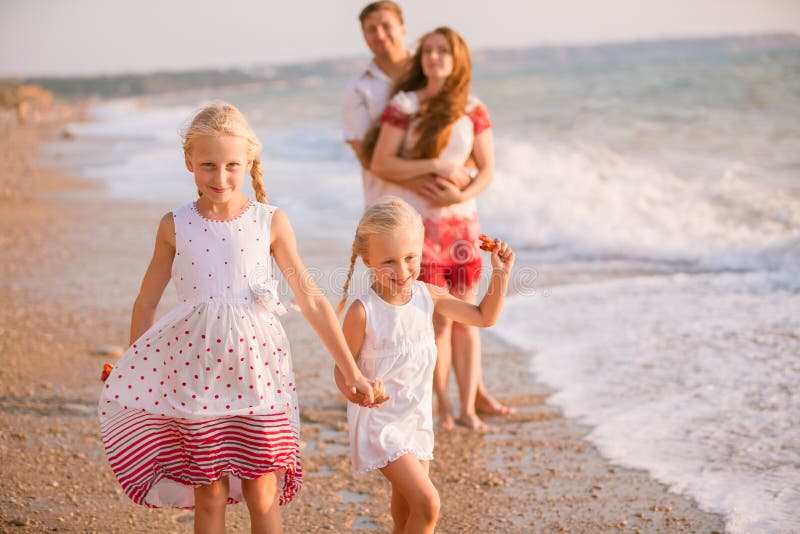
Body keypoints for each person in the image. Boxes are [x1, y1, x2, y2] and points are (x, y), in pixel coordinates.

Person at [98, 102, 378, 533]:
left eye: (232, 165)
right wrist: (138, 365)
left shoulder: (270, 221)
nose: (221, 177)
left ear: (249, 162)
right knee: (208, 492)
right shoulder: (174, 225)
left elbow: (313, 301)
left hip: (258, 372)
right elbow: (145, 302)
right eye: (208, 165)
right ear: (188, 161)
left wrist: (350, 367)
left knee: (261, 490)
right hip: (195, 373)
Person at [333, 197, 515, 533]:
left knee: (405, 510)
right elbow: (342, 367)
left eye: (410, 258)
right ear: (368, 260)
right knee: (428, 504)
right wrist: (356, 390)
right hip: (379, 420)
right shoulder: (363, 311)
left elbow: (483, 317)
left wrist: (500, 275)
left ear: (421, 251)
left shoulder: (427, 296)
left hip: (416, 418)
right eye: (389, 261)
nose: (402, 271)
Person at [363, 26, 511, 431]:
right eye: (427, 50)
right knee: (438, 319)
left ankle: (468, 409)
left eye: (443, 51)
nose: (434, 57)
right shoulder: (406, 104)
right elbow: (381, 162)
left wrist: (458, 196)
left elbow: (487, 171)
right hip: (421, 228)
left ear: (457, 57)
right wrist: (436, 167)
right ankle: (442, 407)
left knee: (468, 316)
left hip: (463, 226)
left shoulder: (473, 108)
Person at [342, 1, 410, 206]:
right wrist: (427, 180)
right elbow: (366, 156)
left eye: (386, 26)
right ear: (364, 37)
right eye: (371, 30)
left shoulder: (431, 72)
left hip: (444, 200)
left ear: (403, 29)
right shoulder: (357, 89)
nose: (380, 35)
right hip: (388, 205)